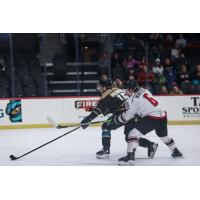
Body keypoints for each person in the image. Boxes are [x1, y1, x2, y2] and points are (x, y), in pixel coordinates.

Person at [106, 79, 183, 165]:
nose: (125, 92)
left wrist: (116, 120)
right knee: (163, 135)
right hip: (162, 115)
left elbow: (126, 117)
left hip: (152, 117)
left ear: (131, 90)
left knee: (132, 134)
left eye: (126, 90)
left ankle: (129, 157)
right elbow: (144, 105)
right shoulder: (144, 90)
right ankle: (176, 151)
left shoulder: (134, 99)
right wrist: (138, 113)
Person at [80, 79, 158, 159]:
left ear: (104, 88)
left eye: (100, 87)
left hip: (124, 114)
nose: (99, 89)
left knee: (106, 126)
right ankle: (150, 145)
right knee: (129, 137)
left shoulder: (105, 96)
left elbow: (97, 111)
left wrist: (88, 119)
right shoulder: (118, 90)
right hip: (134, 113)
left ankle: (106, 149)